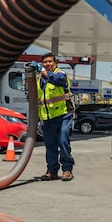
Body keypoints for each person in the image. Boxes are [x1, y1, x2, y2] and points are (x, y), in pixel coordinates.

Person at [36, 53, 75, 181]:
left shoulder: (61, 74)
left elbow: (58, 80)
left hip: (64, 114)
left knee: (63, 139)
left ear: (55, 63)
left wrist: (42, 71)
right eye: (45, 62)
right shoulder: (39, 80)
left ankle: (67, 169)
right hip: (48, 117)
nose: (48, 64)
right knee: (50, 144)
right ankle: (52, 171)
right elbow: (39, 99)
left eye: (50, 61)